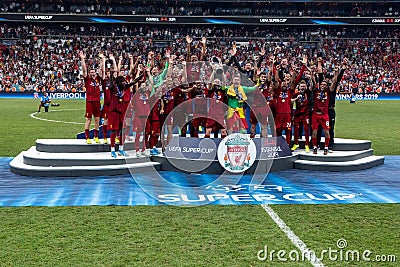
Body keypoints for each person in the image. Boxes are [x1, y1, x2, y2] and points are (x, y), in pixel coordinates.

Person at [80, 50, 104, 144]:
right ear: (89, 73)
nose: (93, 73)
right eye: (91, 72)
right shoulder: (87, 79)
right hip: (89, 101)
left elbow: (102, 69)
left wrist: (102, 59)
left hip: (97, 101)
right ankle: (87, 137)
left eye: (94, 72)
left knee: (97, 119)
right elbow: (84, 69)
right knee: (88, 119)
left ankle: (96, 136)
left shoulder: (99, 79)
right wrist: (82, 59)